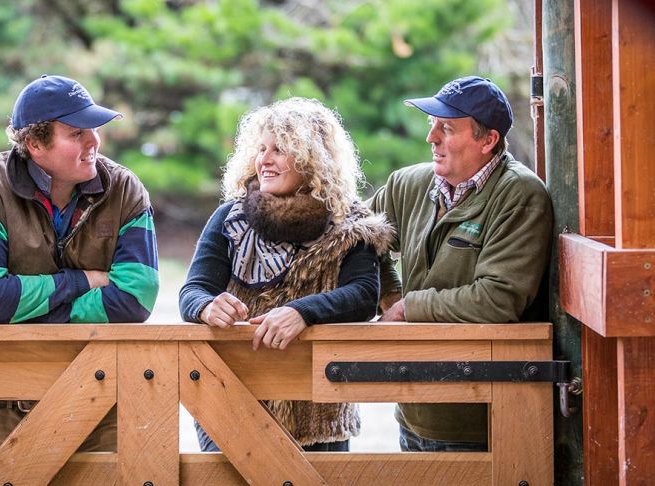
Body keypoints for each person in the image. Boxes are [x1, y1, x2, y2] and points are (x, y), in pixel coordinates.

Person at [0, 74, 159, 452]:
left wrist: (29, 314)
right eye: (77, 132)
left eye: (94, 129)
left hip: (101, 394)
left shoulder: (125, 191)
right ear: (34, 143)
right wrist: (81, 282)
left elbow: (135, 298)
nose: (94, 141)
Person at [179, 97, 394, 452]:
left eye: (279, 149)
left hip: (318, 407)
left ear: (313, 159)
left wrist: (301, 312)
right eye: (261, 148)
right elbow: (193, 290)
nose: (264, 160)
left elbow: (363, 295)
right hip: (231, 399)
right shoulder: (230, 219)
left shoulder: (351, 223)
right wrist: (206, 307)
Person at [369, 76, 553, 451]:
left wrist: (409, 307)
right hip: (412, 411)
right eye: (431, 124)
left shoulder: (520, 195)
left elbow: (498, 298)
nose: (431, 137)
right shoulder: (407, 184)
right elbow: (356, 240)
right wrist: (387, 290)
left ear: (488, 141)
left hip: (484, 422)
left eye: (447, 128)